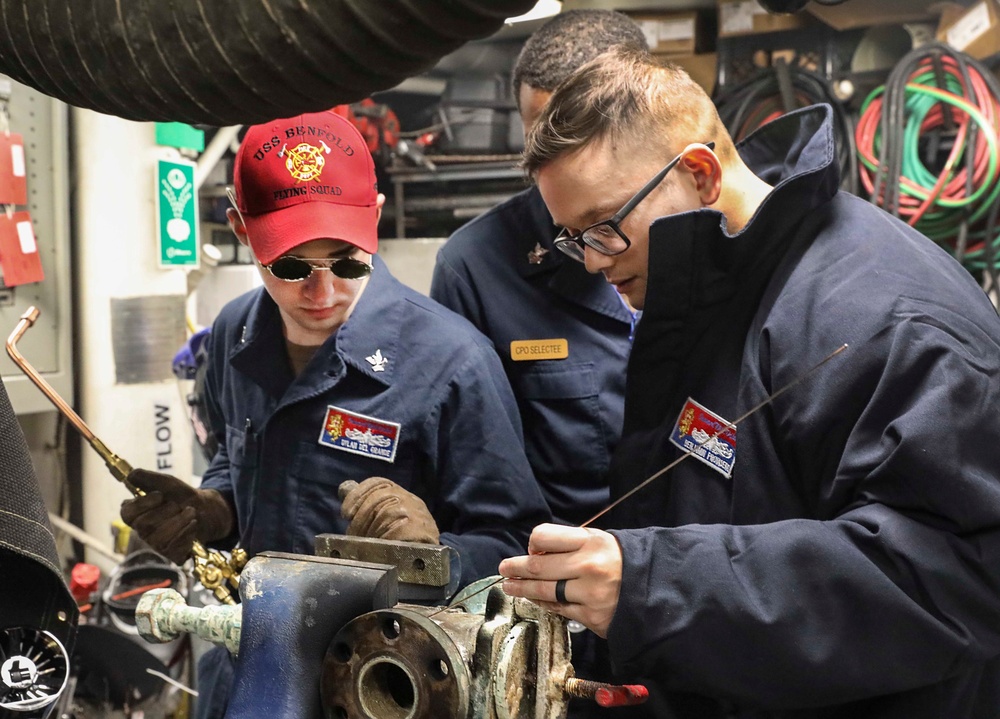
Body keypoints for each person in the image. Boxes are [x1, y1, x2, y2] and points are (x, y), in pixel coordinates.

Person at [499, 46, 1000, 718]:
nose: (592, 263)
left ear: (700, 173)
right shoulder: (717, 289)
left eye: (605, 229)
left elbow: (947, 581)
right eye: (571, 237)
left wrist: (650, 586)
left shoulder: (888, 319)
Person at [120, 109, 550, 718]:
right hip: (248, 667)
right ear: (241, 228)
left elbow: (512, 545)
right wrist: (212, 511)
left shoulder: (452, 362)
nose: (322, 292)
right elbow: (233, 457)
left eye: (347, 262)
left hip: (379, 685)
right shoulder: (233, 337)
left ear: (373, 217)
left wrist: (434, 553)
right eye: (292, 266)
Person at [430, 9, 648, 529]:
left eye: (573, 140)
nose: (551, 166)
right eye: (537, 144)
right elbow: (474, 478)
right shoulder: (475, 269)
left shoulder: (714, 242)